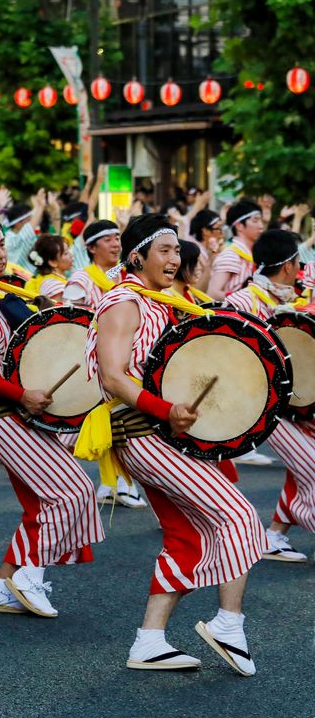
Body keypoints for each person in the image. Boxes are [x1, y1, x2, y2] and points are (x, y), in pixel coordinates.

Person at [87, 213, 263, 674]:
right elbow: (112, 375)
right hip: (143, 434)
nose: (174, 258)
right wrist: (166, 410)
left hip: (160, 433)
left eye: (175, 250)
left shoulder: (161, 301)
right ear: (136, 256)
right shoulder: (123, 302)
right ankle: (228, 622)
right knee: (240, 518)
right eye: (163, 250)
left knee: (186, 537)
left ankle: (149, 641)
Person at [0, 210, 104, 617]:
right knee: (72, 491)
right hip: (1, 412)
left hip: (16, 409)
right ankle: (28, 572)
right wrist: (21, 394)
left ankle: (1, 587)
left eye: (1, 245)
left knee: (44, 500)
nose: (0, 254)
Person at [222, 229, 315, 563]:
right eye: (297, 262)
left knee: (302, 468)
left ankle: (273, 535)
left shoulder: (292, 296)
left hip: (298, 405)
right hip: (266, 406)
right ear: (289, 265)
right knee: (312, 467)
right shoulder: (246, 300)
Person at [207, 199, 265, 300]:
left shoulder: (251, 254)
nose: (261, 226)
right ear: (239, 226)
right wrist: (246, 301)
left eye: (261, 221)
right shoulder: (231, 255)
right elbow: (213, 293)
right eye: (255, 220)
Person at [63, 220, 121, 310]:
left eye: (117, 238)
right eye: (107, 240)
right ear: (92, 248)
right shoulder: (81, 281)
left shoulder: (131, 273)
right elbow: (70, 320)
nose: (116, 244)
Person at [24, 234, 71, 304]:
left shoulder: (47, 279)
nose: (71, 254)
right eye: (66, 253)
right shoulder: (53, 286)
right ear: (52, 262)